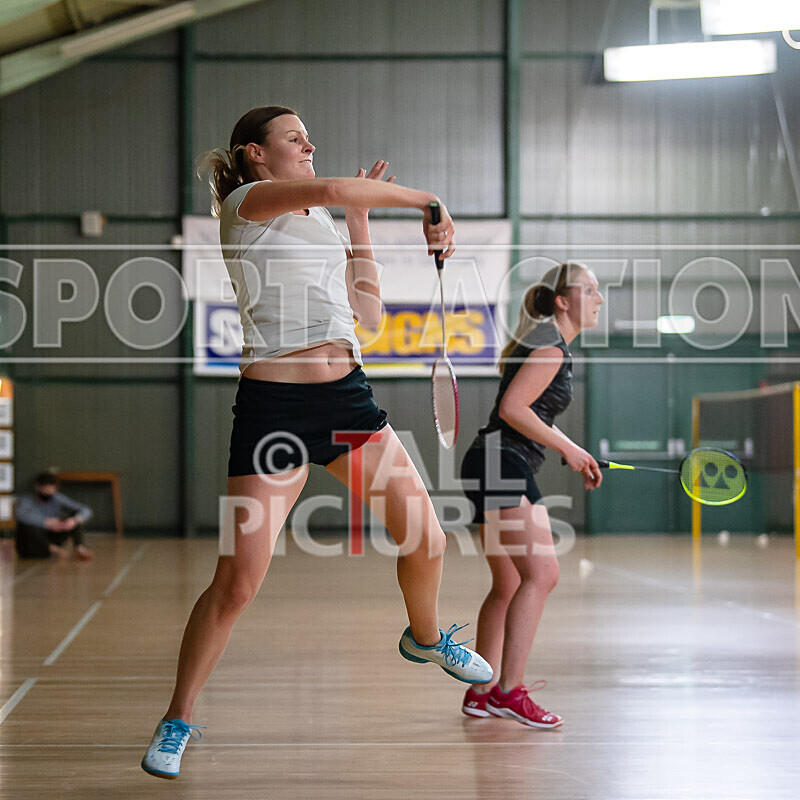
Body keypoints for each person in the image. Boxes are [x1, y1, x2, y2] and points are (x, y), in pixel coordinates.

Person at [141, 106, 492, 780]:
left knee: (428, 537)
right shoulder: (248, 204)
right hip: (274, 408)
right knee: (238, 583)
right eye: (294, 139)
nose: (310, 146)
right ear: (255, 154)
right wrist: (426, 201)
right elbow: (333, 186)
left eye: (310, 139)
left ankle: (424, 638)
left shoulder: (324, 222)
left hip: (346, 400)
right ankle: (177, 716)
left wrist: (360, 225)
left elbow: (368, 315)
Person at [459, 262, 604, 729]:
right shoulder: (550, 349)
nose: (599, 299)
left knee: (508, 584)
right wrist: (571, 446)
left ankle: (481, 691)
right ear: (563, 300)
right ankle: (508, 692)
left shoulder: (550, 345)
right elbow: (512, 409)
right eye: (591, 290)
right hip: (502, 463)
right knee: (542, 575)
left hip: (499, 461)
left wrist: (563, 449)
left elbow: (526, 413)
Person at [14, 471, 94, 561]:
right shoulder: (26, 501)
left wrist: (74, 520)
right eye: (46, 489)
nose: (49, 492)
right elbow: (20, 515)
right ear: (38, 488)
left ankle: (80, 548)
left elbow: (85, 510)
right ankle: (53, 549)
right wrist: (46, 522)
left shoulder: (56, 498)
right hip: (33, 544)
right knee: (26, 526)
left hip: (52, 536)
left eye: (51, 489)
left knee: (74, 518)